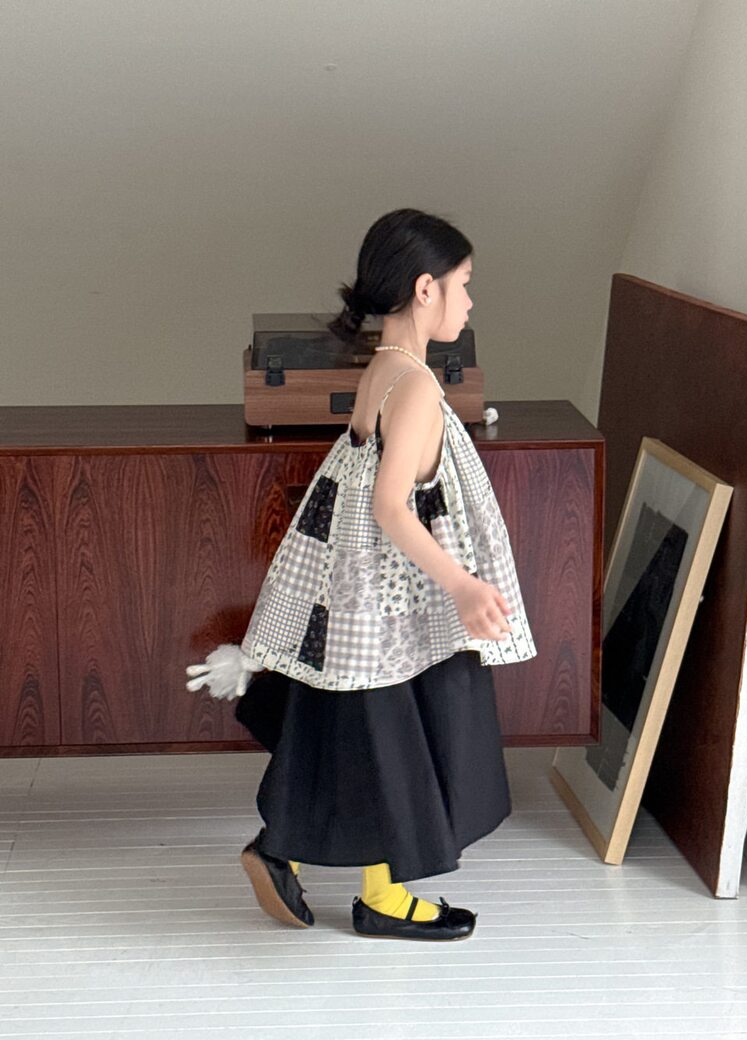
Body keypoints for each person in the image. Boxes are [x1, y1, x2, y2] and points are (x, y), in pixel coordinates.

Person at [186, 207, 537, 941]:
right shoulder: (418, 388)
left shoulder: (381, 371)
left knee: (372, 740)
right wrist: (463, 584)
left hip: (356, 604)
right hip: (398, 608)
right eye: (464, 284)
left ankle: (293, 853)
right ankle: (371, 892)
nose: (470, 301)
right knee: (409, 739)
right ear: (425, 289)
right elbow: (390, 506)